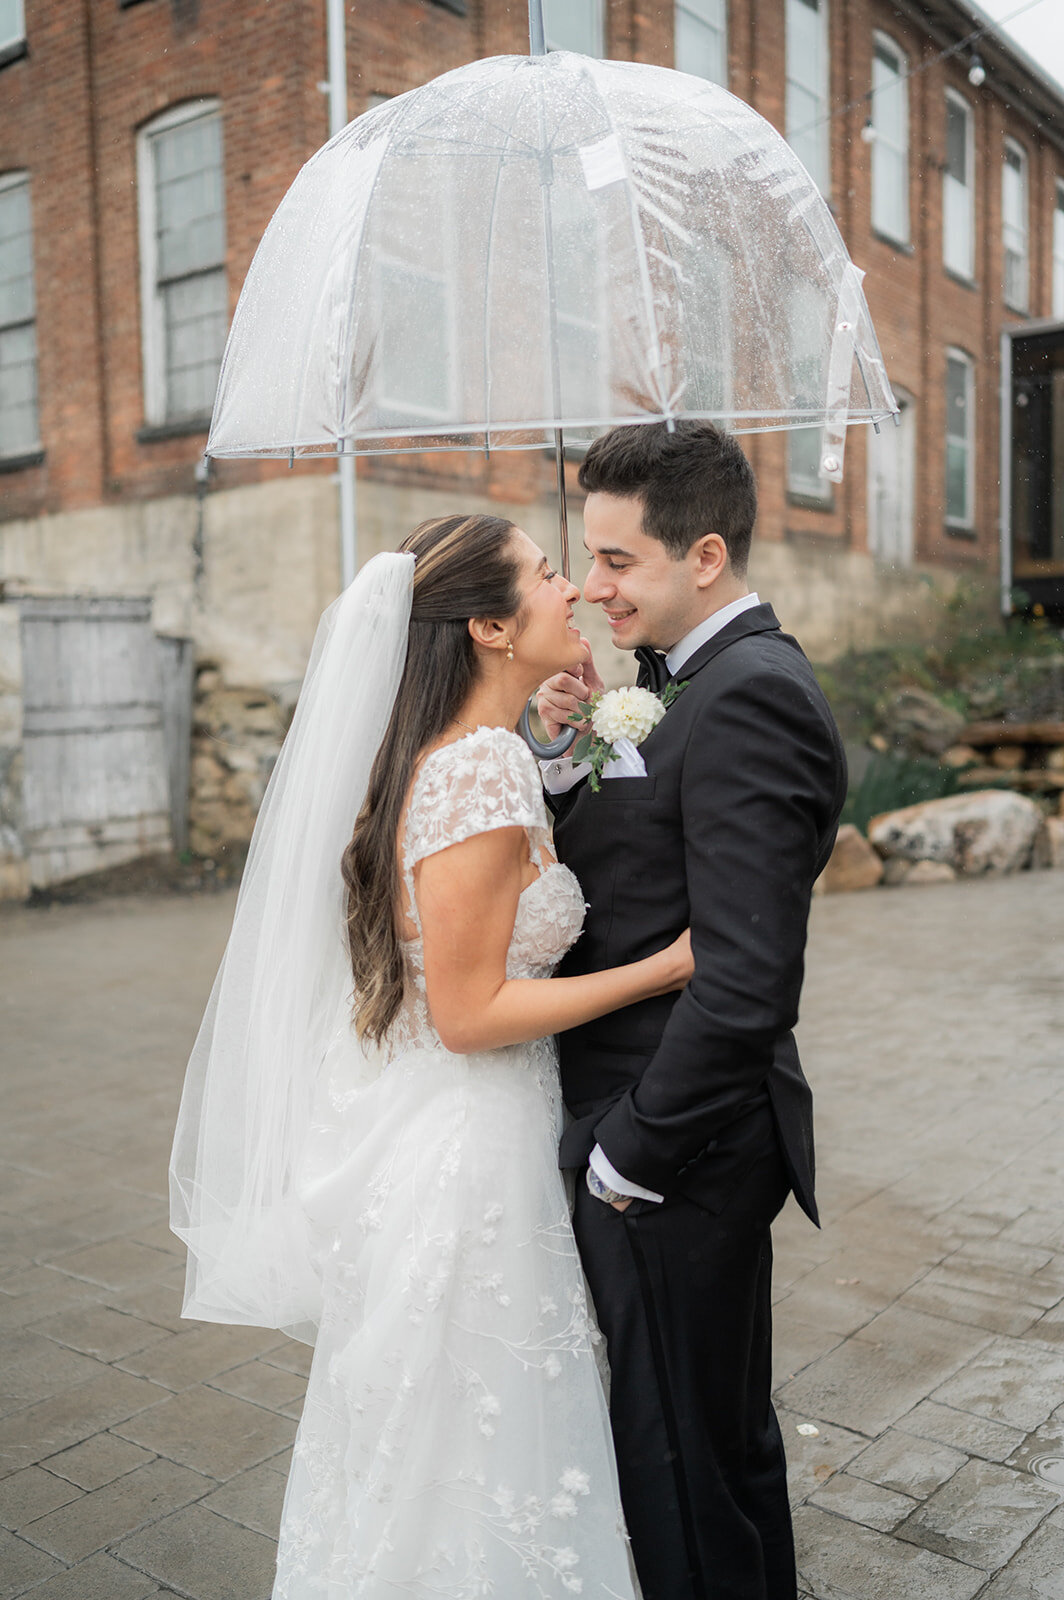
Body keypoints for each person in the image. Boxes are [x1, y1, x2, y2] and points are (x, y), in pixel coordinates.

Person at [170, 512, 693, 1600]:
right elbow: (468, 1010)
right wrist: (665, 966)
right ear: (493, 625)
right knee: (466, 1443)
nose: (575, 592)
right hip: (463, 1153)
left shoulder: (459, 755)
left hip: (437, 1127)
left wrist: (554, 744)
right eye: (550, 574)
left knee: (430, 1446)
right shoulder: (480, 767)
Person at [536, 421, 847, 1600]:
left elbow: (745, 976)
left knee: (678, 1458)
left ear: (703, 553)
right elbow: (638, 866)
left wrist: (629, 1154)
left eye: (616, 561)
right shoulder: (681, 684)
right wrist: (568, 755)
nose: (593, 587)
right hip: (666, 1132)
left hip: (678, 1147)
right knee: (709, 1441)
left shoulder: (748, 696)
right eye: (587, 556)